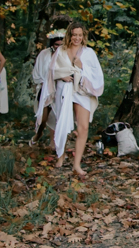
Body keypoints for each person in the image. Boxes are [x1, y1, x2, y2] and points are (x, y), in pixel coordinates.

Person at [60, 21, 103, 177]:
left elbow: (97, 73)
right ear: (69, 35)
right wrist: (62, 76)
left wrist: (82, 66)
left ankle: (76, 164)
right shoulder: (62, 51)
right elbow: (53, 70)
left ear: (83, 36)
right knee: (63, 125)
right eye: (74, 35)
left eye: (79, 35)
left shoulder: (88, 53)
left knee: (83, 127)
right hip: (64, 90)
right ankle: (60, 156)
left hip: (82, 92)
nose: (76, 38)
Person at [30, 30, 65, 144]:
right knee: (43, 118)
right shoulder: (44, 54)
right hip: (45, 89)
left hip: (60, 89)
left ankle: (54, 142)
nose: (58, 47)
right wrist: (42, 84)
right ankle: (38, 134)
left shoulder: (66, 55)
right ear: (52, 44)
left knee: (58, 116)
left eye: (61, 45)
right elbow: (37, 72)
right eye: (56, 45)